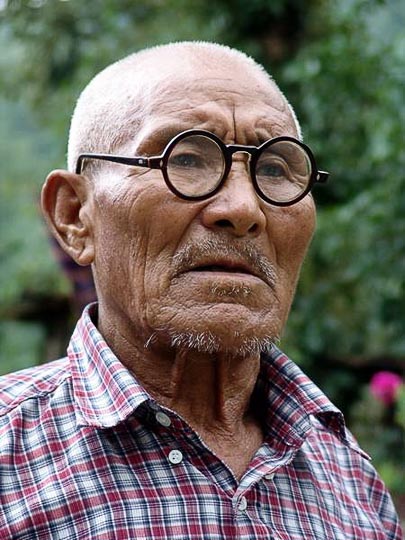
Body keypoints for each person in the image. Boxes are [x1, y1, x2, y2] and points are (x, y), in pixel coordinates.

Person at [0, 42, 402, 540]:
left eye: (274, 169)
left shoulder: (349, 478)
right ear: (75, 216)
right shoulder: (9, 459)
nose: (243, 207)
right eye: (185, 158)